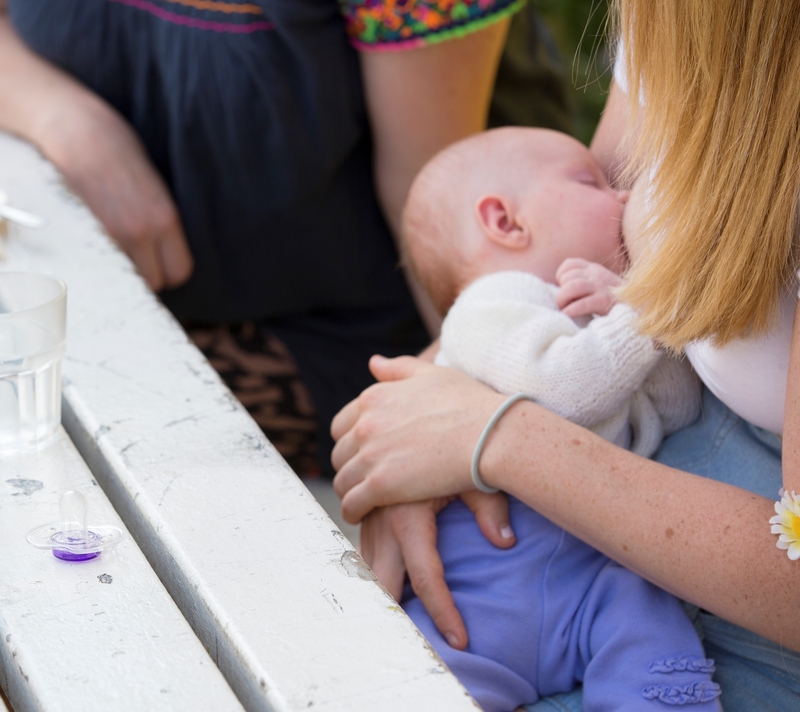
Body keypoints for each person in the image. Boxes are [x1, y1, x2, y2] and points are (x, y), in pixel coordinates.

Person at [330, 2, 800, 710]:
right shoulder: (677, 19)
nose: (618, 198)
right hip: (595, 562)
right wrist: (410, 419)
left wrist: (487, 433)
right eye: (594, 189)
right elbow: (517, 315)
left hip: (745, 628)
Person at [0, 0, 535, 476]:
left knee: (63, 432)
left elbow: (434, 206)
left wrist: (477, 425)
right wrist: (64, 119)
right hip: (98, 293)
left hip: (342, 339)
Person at [397, 126, 719, 711]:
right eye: (590, 181)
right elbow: (564, 390)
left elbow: (676, 412)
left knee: (650, 625)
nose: (625, 198)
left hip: (594, 576)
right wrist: (649, 310)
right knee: (422, 681)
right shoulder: (488, 306)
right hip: (479, 591)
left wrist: (631, 309)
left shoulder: (596, 312)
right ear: (505, 221)